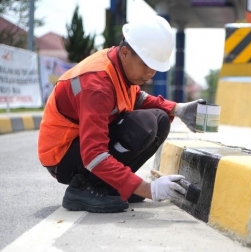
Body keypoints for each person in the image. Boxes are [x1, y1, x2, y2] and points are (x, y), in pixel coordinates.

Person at [37, 15, 204, 213]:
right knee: (143, 124)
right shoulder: (96, 85)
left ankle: (111, 185)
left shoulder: (119, 66)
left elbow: (137, 98)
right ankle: (81, 188)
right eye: (146, 64)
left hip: (79, 149)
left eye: (155, 67)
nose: (151, 73)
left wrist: (178, 109)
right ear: (125, 53)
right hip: (63, 158)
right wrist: (148, 190)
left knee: (160, 119)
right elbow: (93, 154)